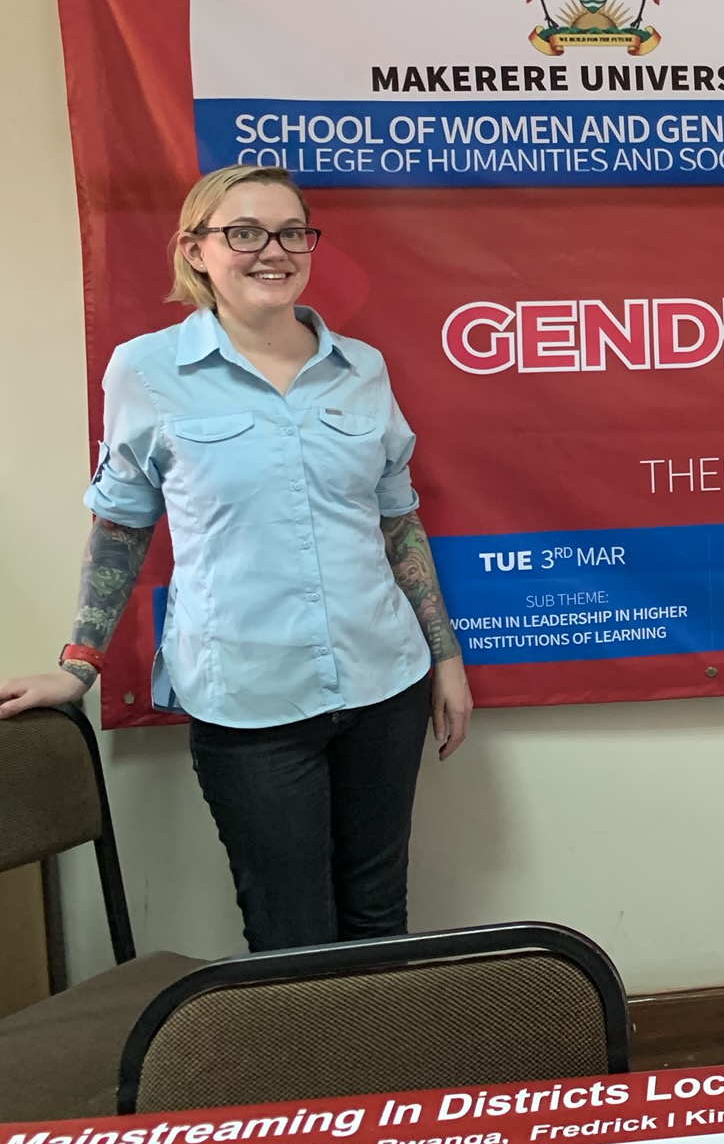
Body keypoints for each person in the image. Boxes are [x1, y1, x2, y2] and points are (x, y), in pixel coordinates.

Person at [0, 166, 473, 952]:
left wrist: (444, 656)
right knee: (289, 935)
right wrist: (78, 665)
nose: (273, 251)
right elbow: (119, 529)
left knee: (378, 919)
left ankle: (379, 1080)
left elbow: (398, 523)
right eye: (243, 233)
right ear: (196, 249)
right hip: (248, 703)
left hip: (385, 684)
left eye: (292, 232)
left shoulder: (362, 369)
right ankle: (304, 1081)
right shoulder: (146, 371)